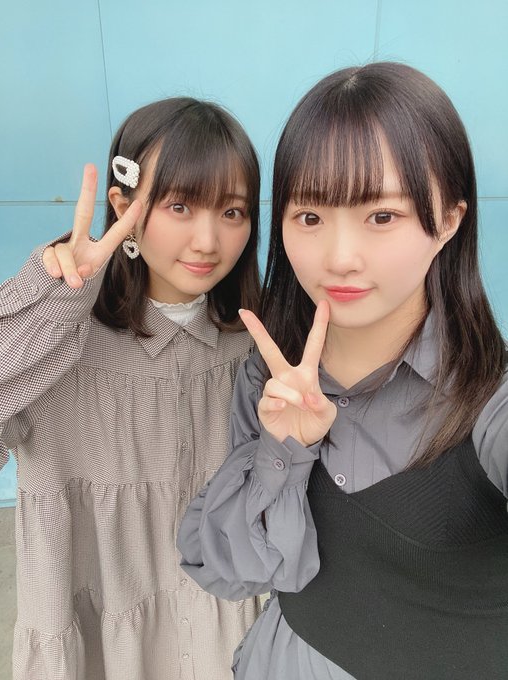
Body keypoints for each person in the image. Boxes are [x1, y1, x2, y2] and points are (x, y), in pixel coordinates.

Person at [177, 62, 508, 680]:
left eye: (382, 216)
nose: (340, 257)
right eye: (310, 217)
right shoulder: (268, 381)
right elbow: (230, 572)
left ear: (449, 220)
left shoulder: (490, 400)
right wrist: (282, 450)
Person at [0, 97, 262, 680]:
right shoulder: (63, 343)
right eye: (179, 205)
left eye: (233, 211)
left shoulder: (251, 346)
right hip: (98, 635)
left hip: (218, 630)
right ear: (125, 208)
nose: (207, 240)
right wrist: (53, 302)